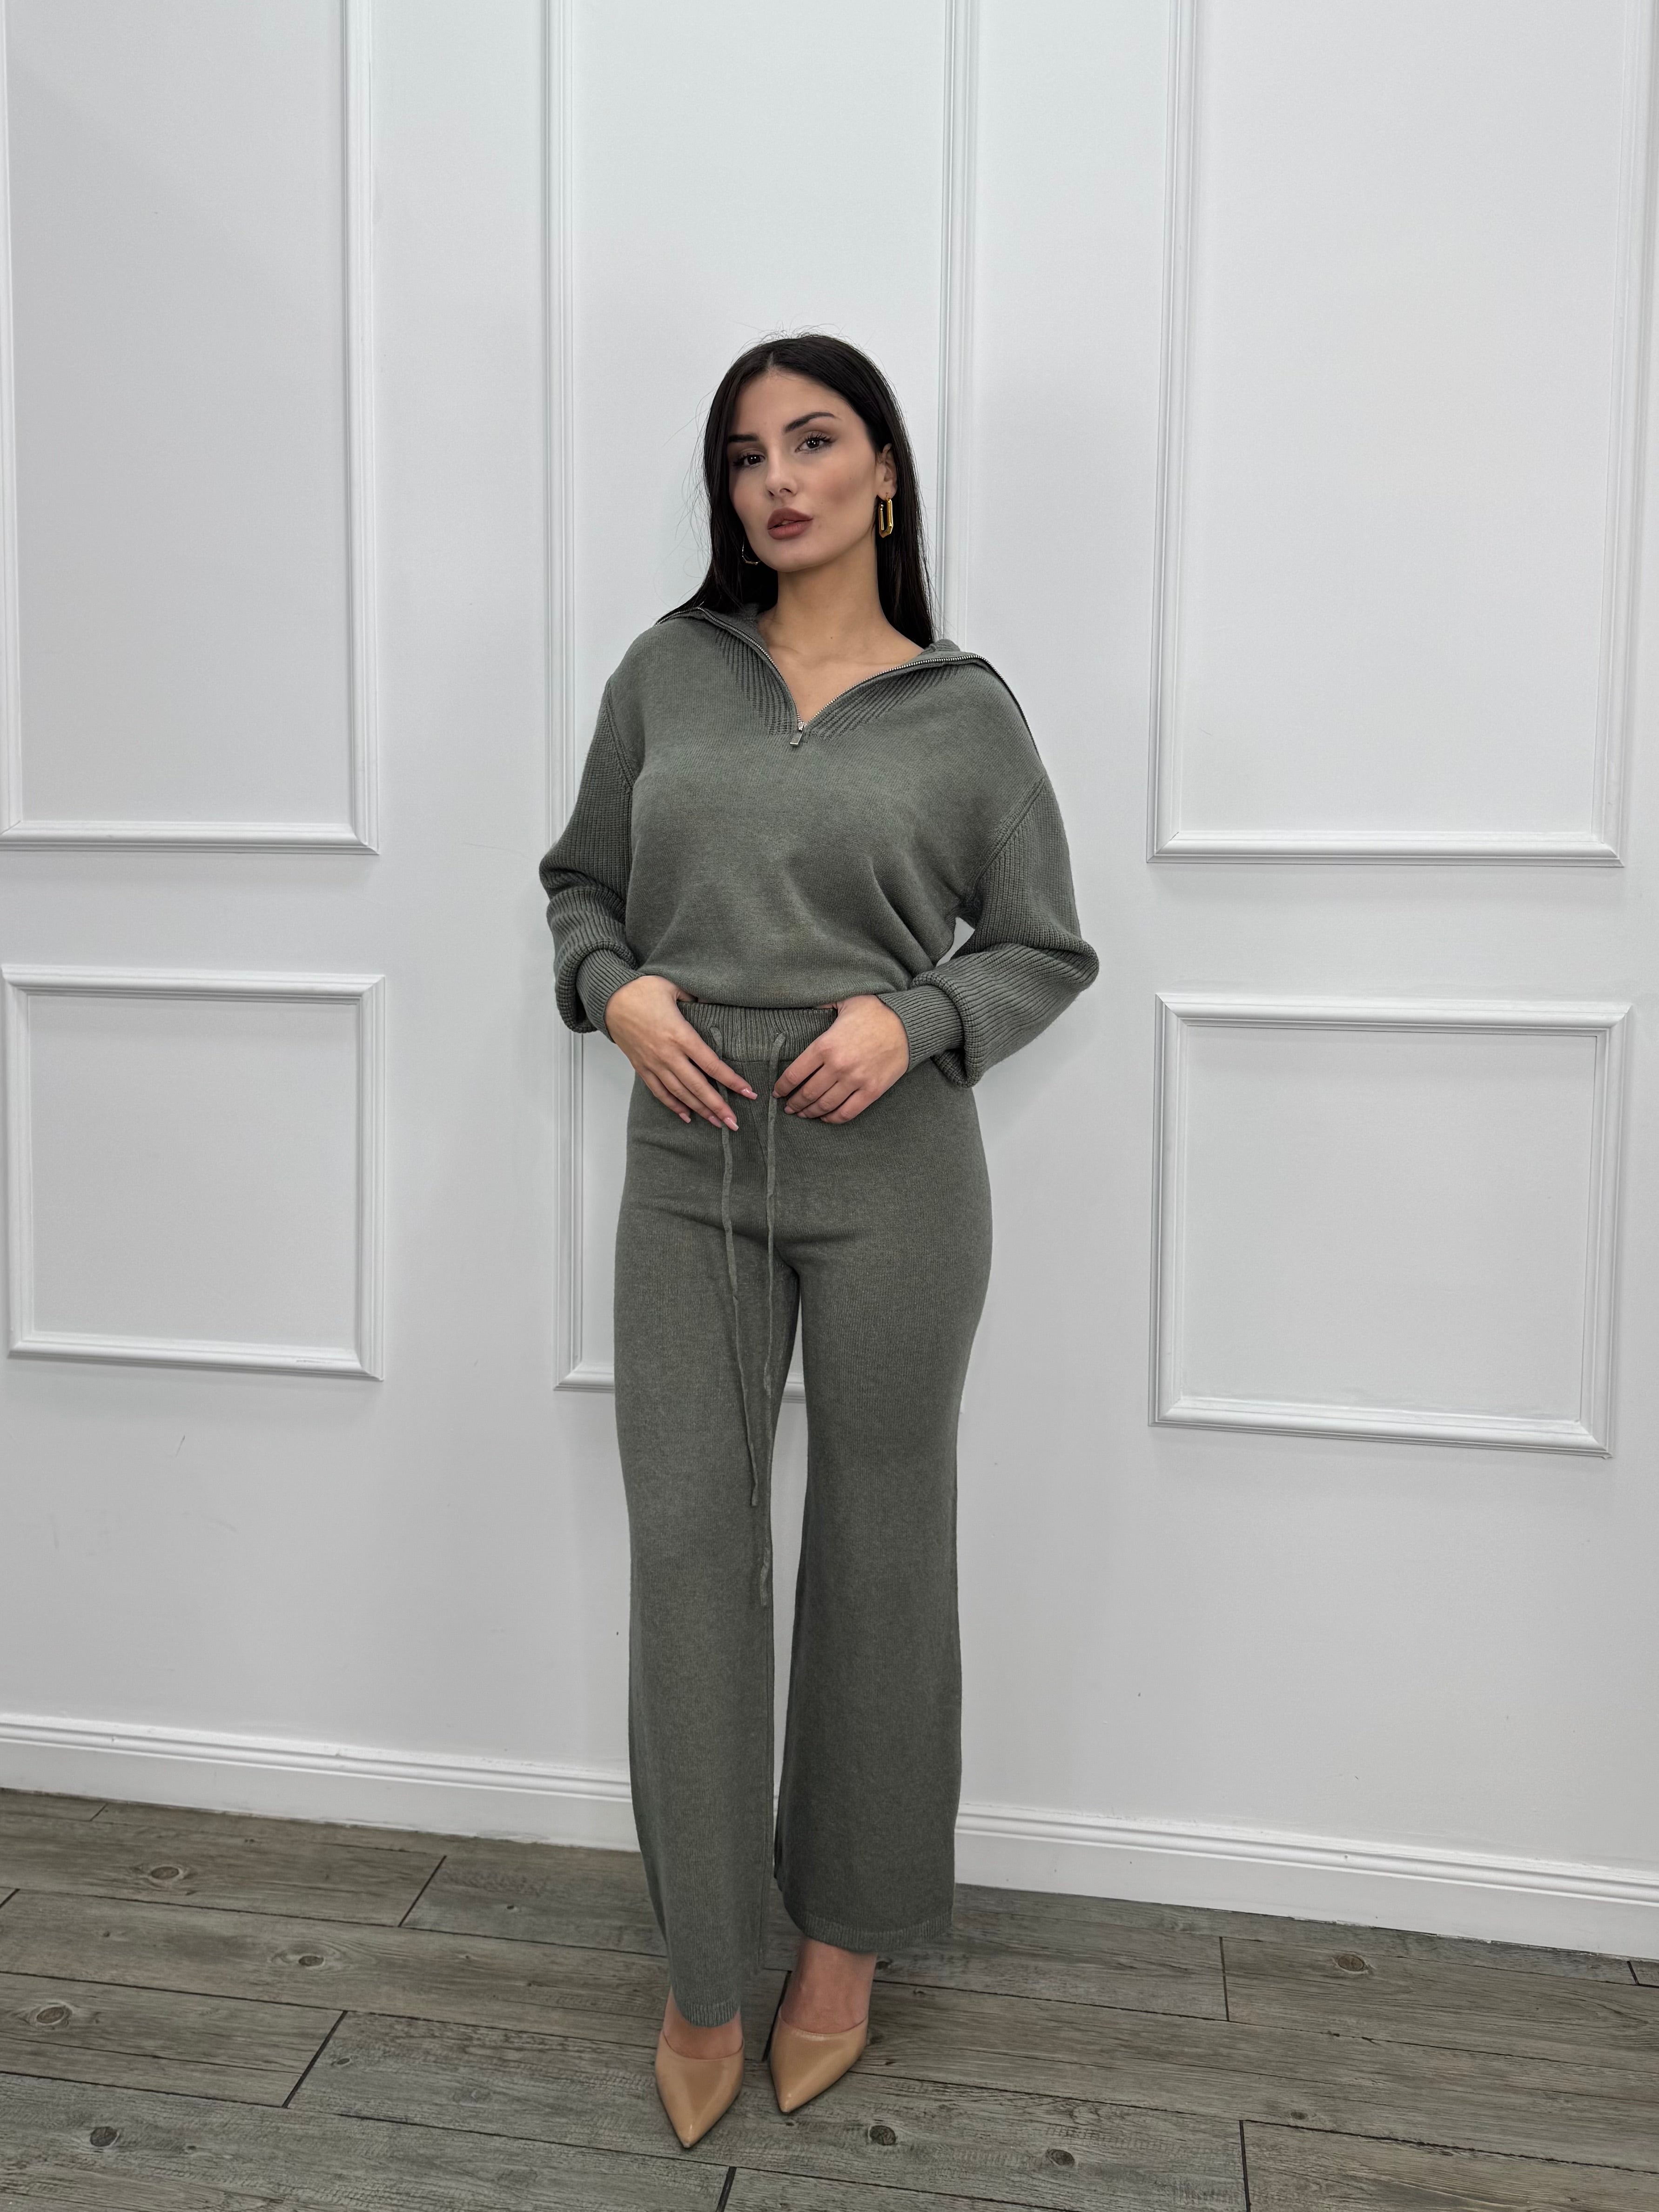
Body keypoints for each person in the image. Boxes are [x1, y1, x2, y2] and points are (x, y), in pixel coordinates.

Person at [538, 332, 1097, 2148]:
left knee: (881, 1548)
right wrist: (615, 992)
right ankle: (708, 1966)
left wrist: (918, 1019)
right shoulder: (666, 672)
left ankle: (844, 1948)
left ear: (884, 471)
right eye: (742, 453)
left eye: (813, 439)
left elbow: (1042, 944)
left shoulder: (966, 711)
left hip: (891, 1175)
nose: (775, 479)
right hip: (687, 1157)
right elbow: (580, 883)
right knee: (690, 1554)